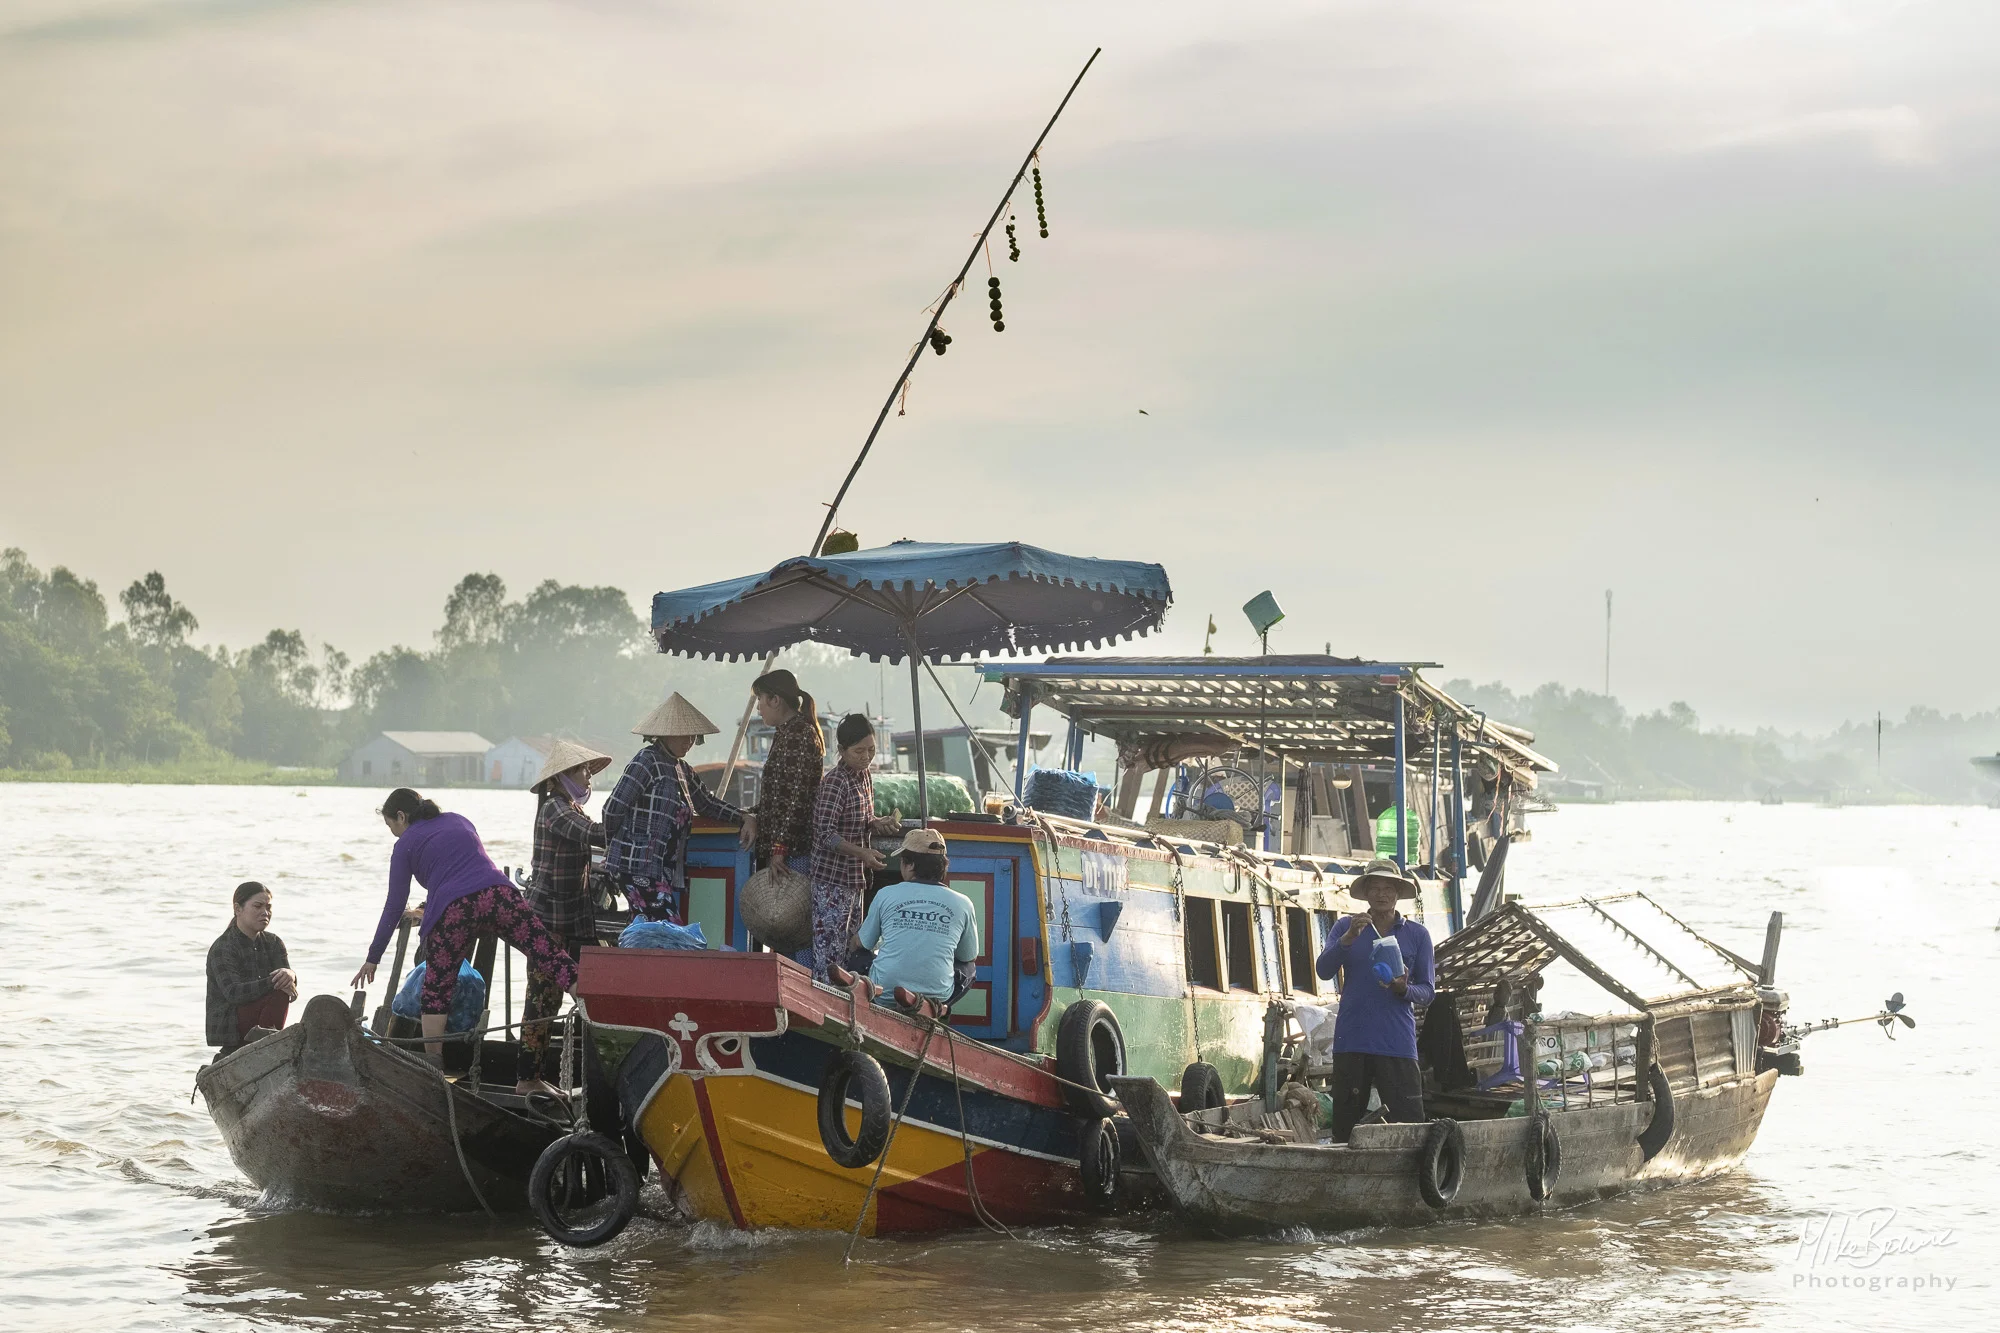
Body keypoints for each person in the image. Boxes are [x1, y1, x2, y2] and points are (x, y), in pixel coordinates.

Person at [347, 789, 578, 1061]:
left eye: (391, 826)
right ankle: (596, 1013)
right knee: (549, 955)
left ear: (401, 816)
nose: (393, 833)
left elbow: (394, 905)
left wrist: (373, 957)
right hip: (499, 894)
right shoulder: (459, 820)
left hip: (455, 910)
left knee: (436, 987)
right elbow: (464, 867)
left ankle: (434, 1064)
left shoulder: (405, 844)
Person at [1315, 857, 1436, 1140]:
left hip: (1396, 1042)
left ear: (1397, 894)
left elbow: (1428, 992)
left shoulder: (1417, 934)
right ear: (1366, 893)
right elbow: (1323, 970)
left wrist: (1403, 990)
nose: (1382, 894)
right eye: (1375, 888)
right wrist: (1348, 938)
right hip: (1352, 1039)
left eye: (1388, 889)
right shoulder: (1346, 926)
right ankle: (1344, 1177)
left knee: (1411, 1125)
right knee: (1345, 1127)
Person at [602, 693, 747, 923]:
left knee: (647, 928)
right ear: (666, 734)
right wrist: (614, 850)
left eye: (692, 736)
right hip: (637, 865)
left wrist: (743, 817)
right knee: (668, 925)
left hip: (662, 868)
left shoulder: (682, 769)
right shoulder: (646, 761)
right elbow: (611, 810)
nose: (689, 741)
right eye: (683, 735)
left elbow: (706, 803)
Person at [520, 739, 611, 1095]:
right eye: (581, 770)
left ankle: (559, 1076)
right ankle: (527, 1080)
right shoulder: (555, 809)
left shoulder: (569, 805)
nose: (588, 776)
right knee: (542, 999)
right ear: (560, 777)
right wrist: (631, 825)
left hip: (573, 918)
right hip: (547, 918)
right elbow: (592, 834)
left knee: (593, 986)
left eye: (588, 770)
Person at [839, 829, 978, 1017]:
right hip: (938, 994)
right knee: (968, 968)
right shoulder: (964, 903)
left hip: (884, 991)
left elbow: (862, 944)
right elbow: (968, 956)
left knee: (859, 954)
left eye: (902, 861)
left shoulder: (886, 894)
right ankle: (936, 1009)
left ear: (910, 865)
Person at [808, 713, 901, 981]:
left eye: (871, 749)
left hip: (854, 880)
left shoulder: (865, 776)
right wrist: (862, 852)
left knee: (851, 950)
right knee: (829, 955)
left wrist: (876, 823)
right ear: (841, 750)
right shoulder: (836, 781)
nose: (866, 756)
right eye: (859, 751)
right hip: (832, 882)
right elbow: (825, 834)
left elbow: (861, 819)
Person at [742, 668, 823, 874]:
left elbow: (796, 798)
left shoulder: (799, 734)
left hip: (792, 853)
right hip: (783, 849)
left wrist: (780, 847)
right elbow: (777, 796)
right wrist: (751, 814)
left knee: (789, 906)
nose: (759, 708)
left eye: (760, 699)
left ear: (775, 700)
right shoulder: (785, 732)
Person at [206, 881, 298, 1059]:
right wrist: (275, 981)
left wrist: (291, 976)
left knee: (280, 987)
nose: (265, 913)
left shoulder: (274, 943)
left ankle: (266, 1043)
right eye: (258, 906)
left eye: (268, 907)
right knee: (278, 989)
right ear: (238, 908)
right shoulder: (223, 947)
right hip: (230, 1024)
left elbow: (290, 988)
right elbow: (234, 993)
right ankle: (266, 1047)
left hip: (262, 1017)